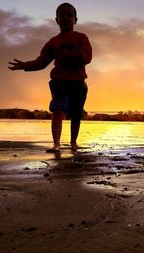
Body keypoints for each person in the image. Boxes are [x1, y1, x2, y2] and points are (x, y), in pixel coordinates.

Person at [8, 2, 92, 153]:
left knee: (76, 114)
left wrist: (72, 54)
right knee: (58, 110)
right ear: (56, 19)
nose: (65, 17)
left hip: (78, 83)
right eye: (62, 15)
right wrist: (25, 66)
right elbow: (41, 62)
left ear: (75, 19)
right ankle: (56, 143)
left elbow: (87, 57)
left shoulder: (81, 38)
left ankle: (73, 142)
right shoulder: (53, 42)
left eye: (69, 15)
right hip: (59, 82)